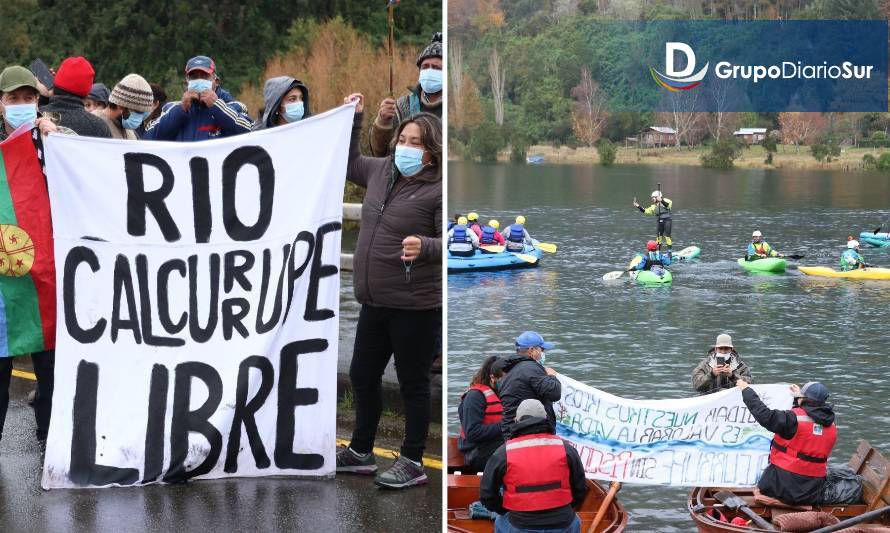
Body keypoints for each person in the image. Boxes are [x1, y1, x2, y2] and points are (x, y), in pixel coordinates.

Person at [335, 93, 441, 489]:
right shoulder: (380, 171)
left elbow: (454, 243)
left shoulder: (438, 190)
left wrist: (427, 247)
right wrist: (356, 119)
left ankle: (413, 460)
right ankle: (361, 451)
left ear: (431, 152)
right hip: (373, 301)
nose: (406, 147)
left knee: (413, 384)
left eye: (417, 142)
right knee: (363, 375)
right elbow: (347, 163)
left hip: (415, 306)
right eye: (403, 139)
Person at [0, 65, 65, 445]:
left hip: (44, 273)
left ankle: (51, 442)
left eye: (29, 98)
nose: (22, 105)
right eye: (14, 99)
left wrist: (57, 139)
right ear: (1, 104)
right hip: (4, 280)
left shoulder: (53, 141)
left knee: (50, 367)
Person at [481, 399, 588, 533]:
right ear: (546, 420)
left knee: (500, 521)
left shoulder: (503, 452)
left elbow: (487, 495)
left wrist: (503, 510)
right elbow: (580, 489)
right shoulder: (566, 449)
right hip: (563, 523)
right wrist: (564, 509)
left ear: (516, 421)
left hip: (520, 524)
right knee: (576, 520)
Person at [738, 380, 837, 505]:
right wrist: (798, 397)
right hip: (813, 491)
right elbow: (809, 418)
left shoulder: (792, 419)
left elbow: (764, 415)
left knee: (763, 483)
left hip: (783, 487)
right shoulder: (831, 424)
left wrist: (746, 390)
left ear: (804, 399)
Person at [143, 55, 252, 141]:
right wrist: (180, 110)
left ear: (216, 81)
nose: (199, 80)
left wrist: (218, 106)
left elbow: (250, 132)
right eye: (194, 77)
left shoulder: (234, 106)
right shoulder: (171, 108)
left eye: (205, 76)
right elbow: (148, 138)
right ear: (187, 82)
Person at [369, 32, 442, 156]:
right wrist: (383, 123)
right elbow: (379, 152)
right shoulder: (402, 106)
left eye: (436, 68)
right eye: (425, 67)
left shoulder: (455, 109)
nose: (429, 70)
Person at [497, 332, 561, 439]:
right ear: (532, 350)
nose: (542, 353)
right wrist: (552, 376)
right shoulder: (531, 368)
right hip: (530, 433)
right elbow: (554, 393)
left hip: (513, 432)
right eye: (542, 349)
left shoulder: (510, 371)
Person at [39, 56, 112, 138]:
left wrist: (42, 98)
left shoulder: (36, 117)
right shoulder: (98, 127)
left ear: (55, 83)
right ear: (87, 93)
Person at [458, 356, 506, 471]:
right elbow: (472, 432)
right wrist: (506, 425)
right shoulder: (475, 396)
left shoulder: (503, 394)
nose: (507, 382)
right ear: (493, 377)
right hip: (477, 452)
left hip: (498, 444)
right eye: (504, 378)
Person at [92, 74, 154, 139]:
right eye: (138, 112)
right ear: (120, 106)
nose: (139, 119)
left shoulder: (130, 132)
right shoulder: (94, 124)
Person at [633, 190, 673, 256]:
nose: (652, 199)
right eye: (652, 198)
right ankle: (658, 253)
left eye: (653, 197)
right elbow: (645, 211)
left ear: (658, 197)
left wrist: (661, 200)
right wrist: (638, 206)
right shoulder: (653, 206)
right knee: (659, 238)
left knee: (667, 236)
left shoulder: (666, 200)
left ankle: (670, 253)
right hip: (659, 221)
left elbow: (668, 205)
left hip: (667, 221)